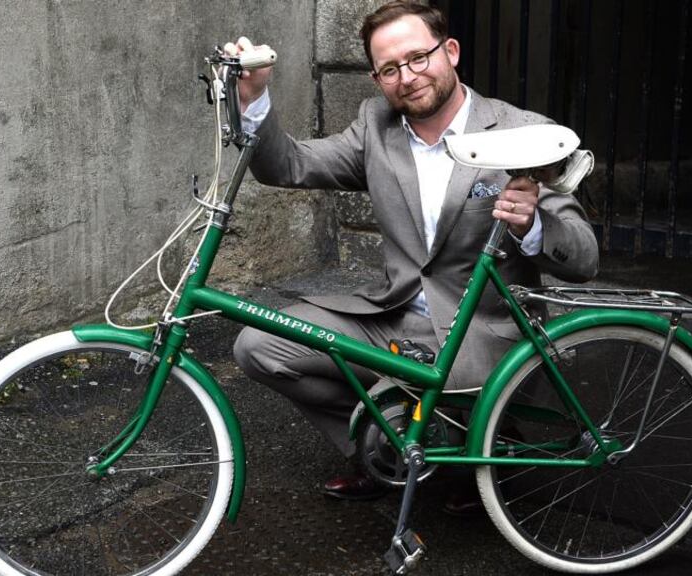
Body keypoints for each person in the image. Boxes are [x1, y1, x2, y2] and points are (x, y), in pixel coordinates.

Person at [229, 1, 599, 506]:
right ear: (377, 78)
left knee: (472, 449)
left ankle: (474, 459)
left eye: (418, 57)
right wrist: (254, 97)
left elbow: (583, 258)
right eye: (389, 69)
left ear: (450, 52)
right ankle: (384, 452)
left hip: (481, 333)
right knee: (261, 346)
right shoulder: (375, 129)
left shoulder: (522, 131)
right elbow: (287, 165)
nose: (407, 76)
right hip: (395, 318)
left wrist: (534, 225)